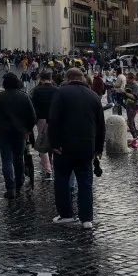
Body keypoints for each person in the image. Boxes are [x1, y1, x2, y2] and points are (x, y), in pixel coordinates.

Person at [47, 67, 105, 229]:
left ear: (67, 78)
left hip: (64, 146)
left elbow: (54, 119)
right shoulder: (94, 96)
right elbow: (101, 125)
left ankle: (66, 214)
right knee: (85, 182)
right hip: (87, 146)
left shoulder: (60, 93)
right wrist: (99, 148)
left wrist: (54, 143)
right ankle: (86, 219)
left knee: (63, 180)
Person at [0, 73, 37, 199]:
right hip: (20, 133)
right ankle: (18, 185)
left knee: (6, 160)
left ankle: (10, 187)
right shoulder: (24, 97)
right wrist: (28, 129)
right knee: (18, 159)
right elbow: (32, 116)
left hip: (4, 132)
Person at [29, 70, 57, 180]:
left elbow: (32, 106)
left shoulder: (36, 91)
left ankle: (47, 169)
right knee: (54, 141)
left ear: (41, 79)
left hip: (41, 119)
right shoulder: (56, 90)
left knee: (42, 143)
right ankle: (54, 165)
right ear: (51, 78)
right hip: (55, 119)